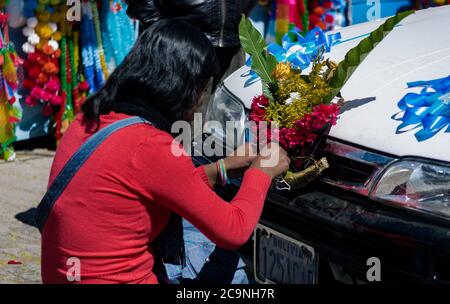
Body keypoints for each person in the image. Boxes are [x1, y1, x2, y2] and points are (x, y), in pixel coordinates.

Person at [40, 19, 289, 284]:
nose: (199, 103)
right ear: (181, 87)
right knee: (235, 275)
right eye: (202, 90)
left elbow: (153, 186)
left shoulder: (88, 120)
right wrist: (262, 172)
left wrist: (221, 169)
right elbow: (234, 230)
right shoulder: (151, 147)